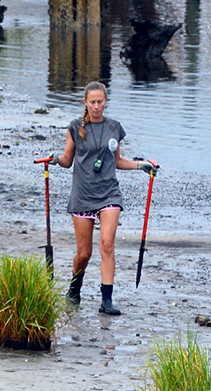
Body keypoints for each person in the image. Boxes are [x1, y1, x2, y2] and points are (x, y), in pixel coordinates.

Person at [54, 81, 157, 315]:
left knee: (107, 245)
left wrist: (142, 165)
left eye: (100, 102)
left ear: (106, 102)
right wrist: (54, 160)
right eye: (92, 102)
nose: (97, 106)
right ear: (86, 103)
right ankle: (74, 288)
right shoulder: (74, 128)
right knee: (84, 253)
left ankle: (106, 300)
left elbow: (117, 161)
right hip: (82, 194)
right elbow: (67, 160)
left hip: (109, 192)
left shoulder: (114, 128)